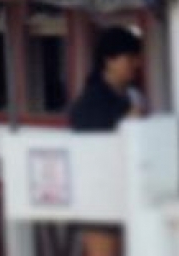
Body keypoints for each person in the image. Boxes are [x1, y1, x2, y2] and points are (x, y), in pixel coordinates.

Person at [69, 26, 144, 256]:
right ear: (109, 60)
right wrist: (126, 124)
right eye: (129, 58)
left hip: (127, 193)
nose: (136, 64)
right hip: (99, 198)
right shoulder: (92, 101)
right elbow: (93, 150)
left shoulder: (132, 95)